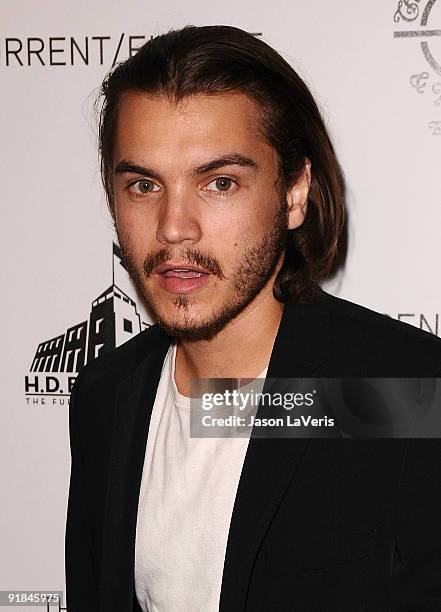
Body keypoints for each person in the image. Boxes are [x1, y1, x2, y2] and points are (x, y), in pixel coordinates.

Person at [65, 25, 441, 611]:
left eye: (220, 183)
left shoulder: (406, 390)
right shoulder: (105, 394)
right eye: (143, 185)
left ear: (294, 193)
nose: (173, 227)